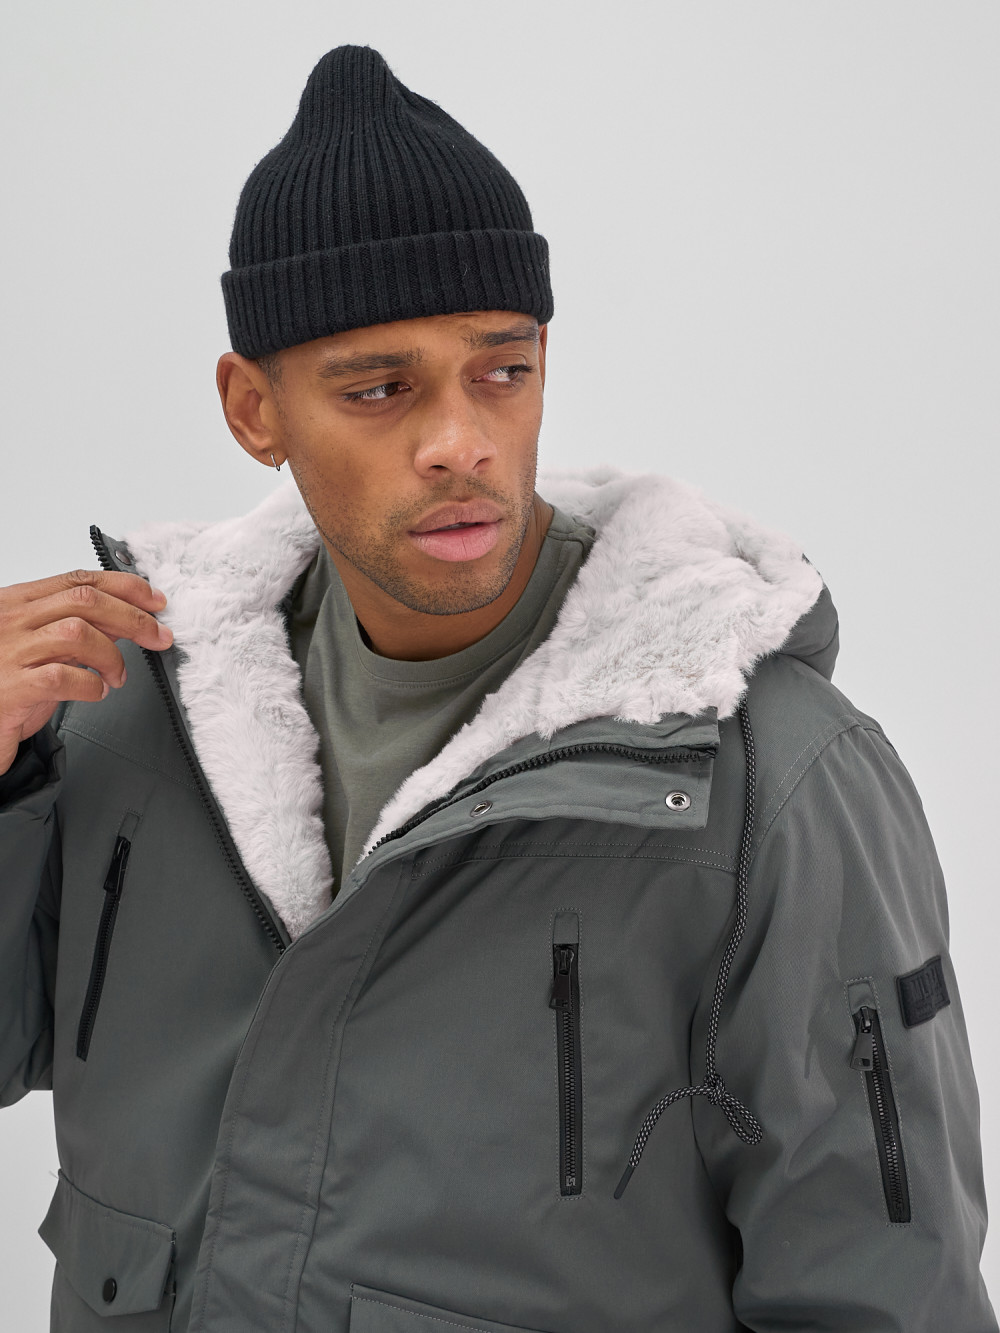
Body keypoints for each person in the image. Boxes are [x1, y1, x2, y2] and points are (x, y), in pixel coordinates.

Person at [0, 41, 994, 1333]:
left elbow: (887, 1296)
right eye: (380, 388)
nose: (461, 441)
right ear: (254, 408)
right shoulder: (124, 703)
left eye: (502, 370)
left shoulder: (765, 781)